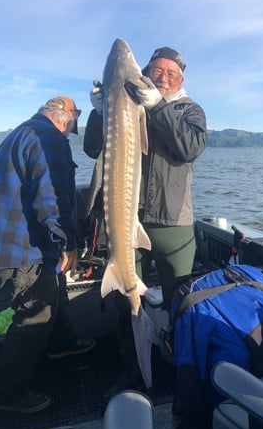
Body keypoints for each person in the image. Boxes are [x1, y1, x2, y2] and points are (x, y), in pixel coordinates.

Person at [84, 46, 207, 378]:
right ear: (146, 73)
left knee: (180, 298)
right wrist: (100, 111)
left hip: (173, 224)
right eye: (157, 71)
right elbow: (91, 148)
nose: (163, 77)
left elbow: (188, 148)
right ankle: (133, 369)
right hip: (128, 219)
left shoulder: (190, 111)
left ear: (180, 78)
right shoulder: (128, 104)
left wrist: (157, 106)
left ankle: (184, 369)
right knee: (126, 298)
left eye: (170, 73)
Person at [0, 97, 94, 413]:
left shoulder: (19, 133)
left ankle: (60, 344)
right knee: (37, 310)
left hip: (7, 240)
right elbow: (51, 198)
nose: (69, 135)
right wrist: (67, 244)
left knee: (52, 292)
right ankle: (8, 393)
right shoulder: (49, 137)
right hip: (21, 249)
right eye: (71, 128)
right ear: (66, 120)